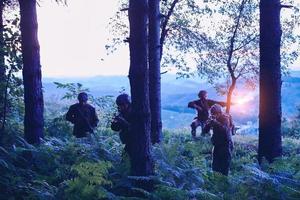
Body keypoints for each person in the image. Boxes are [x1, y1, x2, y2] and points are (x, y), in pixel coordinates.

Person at [203, 104, 233, 176]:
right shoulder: (213, 118)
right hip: (217, 145)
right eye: (213, 114)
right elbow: (205, 131)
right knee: (215, 166)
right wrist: (208, 124)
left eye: (215, 114)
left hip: (226, 145)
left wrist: (215, 123)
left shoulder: (225, 118)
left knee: (224, 167)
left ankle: (224, 183)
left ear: (219, 113)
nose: (214, 116)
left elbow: (225, 130)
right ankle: (216, 182)